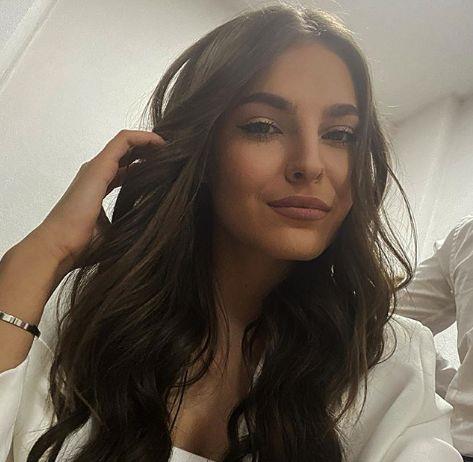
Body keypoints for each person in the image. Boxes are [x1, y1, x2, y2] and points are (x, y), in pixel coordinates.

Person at [0, 4, 463, 462]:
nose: (310, 164)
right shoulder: (86, 311)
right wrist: (44, 251)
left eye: (340, 135)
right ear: (201, 150)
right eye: (263, 127)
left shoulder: (392, 362)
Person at [396, 214, 473, 462]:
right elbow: (391, 331)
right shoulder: (467, 235)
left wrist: (453, 388)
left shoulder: (467, 233)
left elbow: (388, 330)